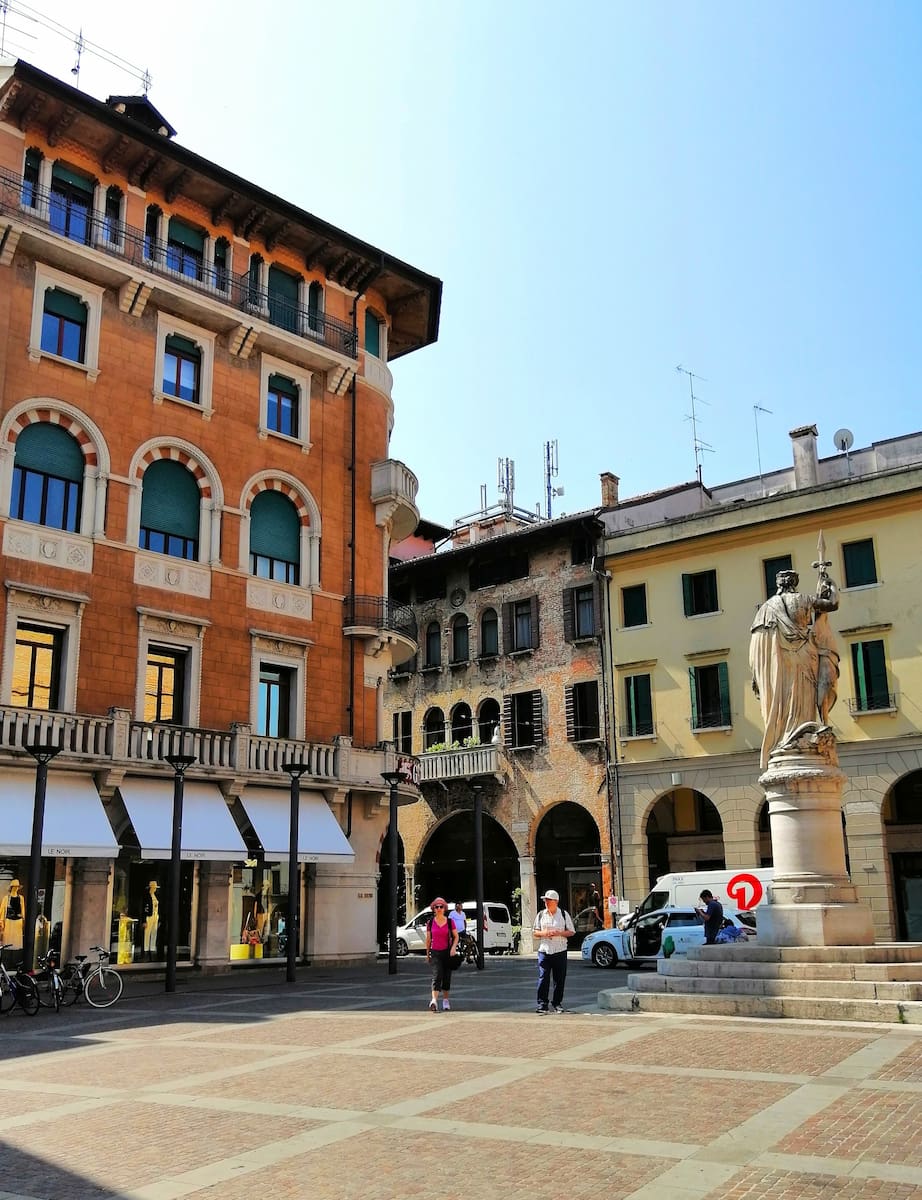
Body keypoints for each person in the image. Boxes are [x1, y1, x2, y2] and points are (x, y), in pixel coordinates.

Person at [749, 567, 839, 769]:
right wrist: (829, 583)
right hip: (806, 655)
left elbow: (759, 649)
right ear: (794, 583)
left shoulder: (766, 608)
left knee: (785, 697)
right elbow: (832, 603)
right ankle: (800, 734)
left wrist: (759, 675)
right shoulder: (805, 600)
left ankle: (785, 737)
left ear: (778, 584)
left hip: (781, 664)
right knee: (805, 695)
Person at [532, 889, 575, 1013]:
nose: (546, 902)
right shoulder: (541, 914)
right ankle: (542, 1004)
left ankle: (557, 1003)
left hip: (560, 950)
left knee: (559, 979)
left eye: (548, 900)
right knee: (543, 977)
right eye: (545, 900)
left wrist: (559, 933)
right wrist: (544, 933)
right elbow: (535, 932)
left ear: (555, 901)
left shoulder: (563, 914)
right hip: (544, 951)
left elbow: (571, 931)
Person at [425, 897, 458, 1012]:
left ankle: (445, 1000)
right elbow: (428, 939)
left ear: (444, 909)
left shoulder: (450, 922)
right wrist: (427, 953)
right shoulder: (430, 923)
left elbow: (456, 936)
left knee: (446, 977)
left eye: (441, 907)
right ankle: (434, 1000)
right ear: (433, 909)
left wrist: (453, 947)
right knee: (437, 975)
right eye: (436, 907)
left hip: (447, 952)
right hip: (435, 953)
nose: (439, 908)